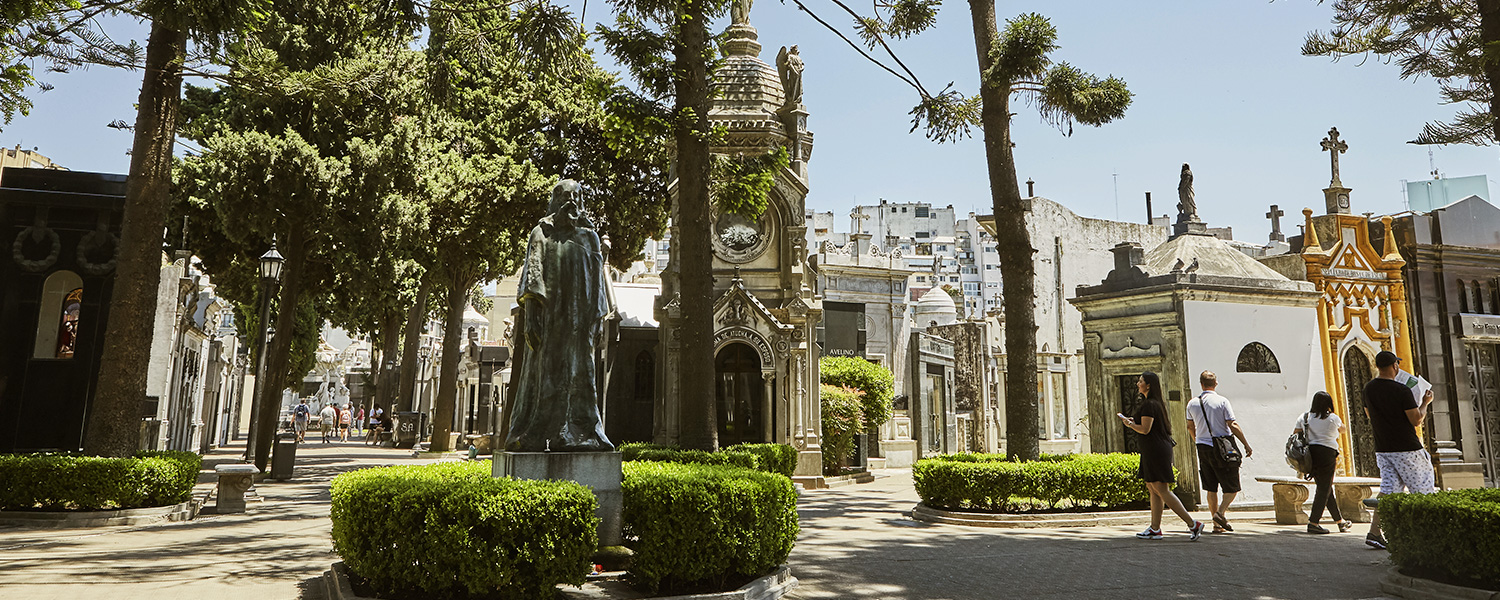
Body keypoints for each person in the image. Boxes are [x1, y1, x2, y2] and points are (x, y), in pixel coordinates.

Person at [1119, 371, 1204, 541]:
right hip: (1153, 449)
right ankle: (1155, 528)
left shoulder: (1150, 405)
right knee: (1153, 488)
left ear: (1148, 385)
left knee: (1162, 489)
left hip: (1156, 450)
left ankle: (1192, 524)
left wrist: (1129, 425)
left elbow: (1145, 429)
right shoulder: (1153, 404)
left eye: (1141, 381)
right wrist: (1133, 421)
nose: (1138, 384)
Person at [1363, 350, 1436, 550]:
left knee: (1388, 491)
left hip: (1384, 448)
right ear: (1395, 366)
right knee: (1422, 489)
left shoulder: (1369, 389)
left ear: (1377, 366)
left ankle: (1375, 532)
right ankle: (1427, 536)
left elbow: (1369, 414)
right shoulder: (1402, 391)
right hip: (1407, 448)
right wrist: (1425, 403)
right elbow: (1416, 420)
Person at [1185, 370, 1253, 534]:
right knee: (1232, 486)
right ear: (1215, 383)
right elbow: (1232, 424)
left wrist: (1198, 440)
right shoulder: (1222, 401)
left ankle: (1217, 525)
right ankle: (1220, 513)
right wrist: (1246, 444)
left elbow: (1189, 426)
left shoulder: (1192, 403)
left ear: (1201, 384)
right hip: (1223, 446)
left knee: (1211, 488)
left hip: (1203, 447)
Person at [1294, 391, 1351, 534]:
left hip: (1311, 455)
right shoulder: (1333, 418)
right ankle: (1313, 522)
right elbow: (1343, 430)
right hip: (1327, 454)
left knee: (1325, 487)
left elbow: (1296, 433)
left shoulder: (1305, 417)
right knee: (1323, 489)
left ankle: (1340, 522)